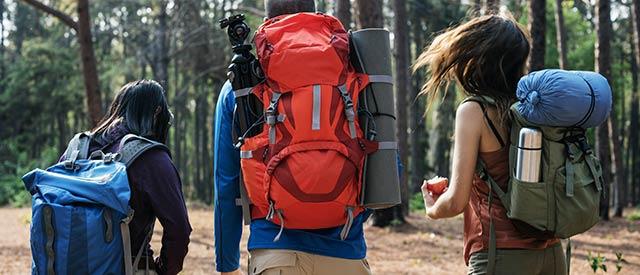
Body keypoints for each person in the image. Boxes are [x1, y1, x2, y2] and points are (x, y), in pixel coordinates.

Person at [213, 1, 373, 274]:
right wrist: (346, 211)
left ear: (267, 20)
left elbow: (226, 183)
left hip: (275, 252)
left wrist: (227, 263)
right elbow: (385, 163)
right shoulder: (352, 75)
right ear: (313, 14)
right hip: (346, 253)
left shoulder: (241, 84)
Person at [414, 15, 566, 275]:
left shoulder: (475, 111)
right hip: (551, 255)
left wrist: (431, 208)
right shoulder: (535, 107)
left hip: (501, 256)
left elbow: (455, 203)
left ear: (479, 59)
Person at [77, 80, 191, 275]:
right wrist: (163, 270)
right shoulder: (151, 158)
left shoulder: (80, 148)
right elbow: (179, 229)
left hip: (71, 265)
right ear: (157, 113)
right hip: (127, 267)